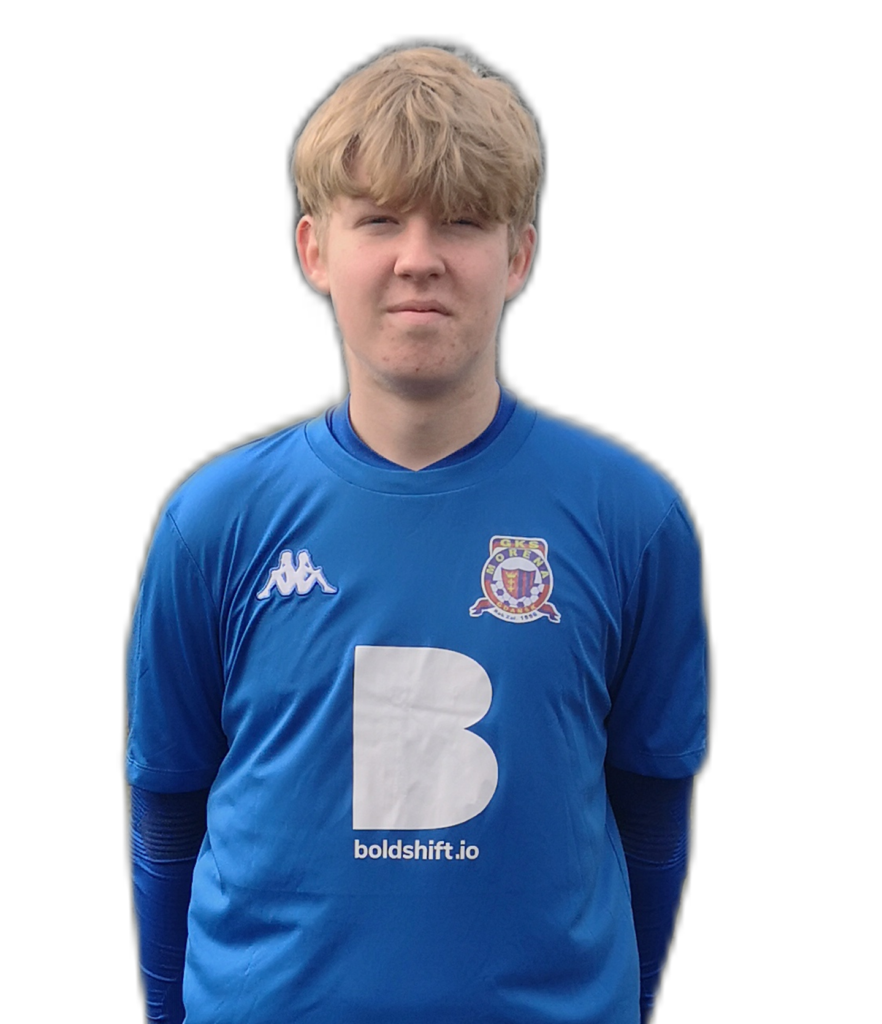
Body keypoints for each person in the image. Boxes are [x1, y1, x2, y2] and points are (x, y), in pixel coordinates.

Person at [125, 45, 710, 1024]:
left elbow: (653, 806)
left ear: (518, 255)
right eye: (380, 219)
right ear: (314, 250)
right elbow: (168, 808)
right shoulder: (212, 521)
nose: (419, 257)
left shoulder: (632, 517)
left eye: (464, 220)